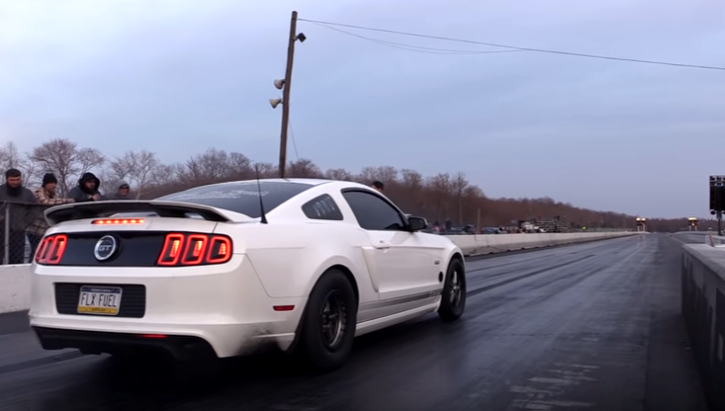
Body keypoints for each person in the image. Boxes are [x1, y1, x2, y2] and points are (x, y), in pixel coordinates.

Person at [27, 173, 75, 254]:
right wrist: (66, 201)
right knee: (35, 252)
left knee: (46, 252)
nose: (54, 185)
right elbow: (45, 202)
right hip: (35, 229)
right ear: (46, 184)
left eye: (55, 183)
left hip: (46, 229)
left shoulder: (53, 195)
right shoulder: (38, 191)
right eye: (51, 183)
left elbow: (55, 203)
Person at [0, 168, 38, 264]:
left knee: (17, 260)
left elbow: (34, 210)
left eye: (17, 180)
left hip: (18, 231)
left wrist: (25, 223)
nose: (15, 182)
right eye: (12, 180)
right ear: (7, 179)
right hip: (1, 230)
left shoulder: (27, 193)